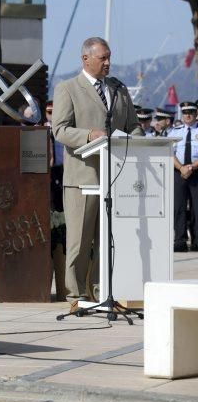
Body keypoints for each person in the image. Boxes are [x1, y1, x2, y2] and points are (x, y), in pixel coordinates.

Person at [52, 36, 142, 310]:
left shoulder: (119, 89)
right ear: (85, 59)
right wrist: (90, 135)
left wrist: (138, 142)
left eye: (109, 57)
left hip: (114, 178)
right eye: (102, 58)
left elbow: (134, 126)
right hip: (83, 178)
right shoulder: (68, 88)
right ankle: (76, 296)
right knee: (80, 241)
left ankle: (103, 293)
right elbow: (60, 129)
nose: (108, 62)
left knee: (108, 241)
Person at [171, 101, 198, 252]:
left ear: (196, 114)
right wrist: (181, 168)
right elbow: (169, 152)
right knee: (179, 207)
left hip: (196, 172)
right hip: (179, 172)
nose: (188, 115)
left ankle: (197, 241)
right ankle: (180, 240)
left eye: (191, 112)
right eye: (185, 112)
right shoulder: (175, 132)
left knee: (196, 208)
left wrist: (192, 167)